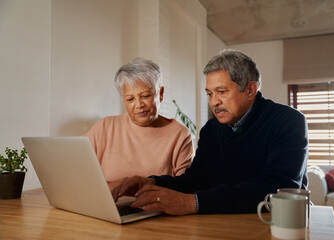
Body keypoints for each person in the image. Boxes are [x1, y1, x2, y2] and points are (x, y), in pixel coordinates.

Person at [112, 49, 308, 215]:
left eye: (222, 92)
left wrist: (191, 203)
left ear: (250, 90)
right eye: (209, 93)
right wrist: (151, 182)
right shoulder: (211, 130)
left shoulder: (288, 122)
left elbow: (277, 189)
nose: (214, 102)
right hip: (223, 224)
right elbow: (196, 181)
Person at [85, 58, 194, 190]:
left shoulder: (180, 135)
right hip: (108, 208)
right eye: (130, 99)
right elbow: (78, 170)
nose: (139, 105)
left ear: (160, 93)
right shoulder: (104, 128)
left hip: (154, 209)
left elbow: (185, 188)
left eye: (145, 96)